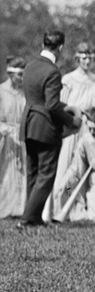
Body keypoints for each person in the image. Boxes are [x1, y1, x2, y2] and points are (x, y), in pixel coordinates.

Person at [48, 41, 95, 221]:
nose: (87, 61)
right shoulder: (67, 80)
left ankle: (87, 207)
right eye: (83, 57)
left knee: (91, 173)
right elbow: (60, 107)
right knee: (70, 172)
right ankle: (64, 204)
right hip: (72, 133)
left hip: (93, 133)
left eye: (90, 58)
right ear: (77, 59)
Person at [19, 31, 81, 227]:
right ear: (60, 47)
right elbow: (52, 105)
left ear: (42, 43)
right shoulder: (52, 71)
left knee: (33, 173)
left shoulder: (30, 67)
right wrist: (72, 121)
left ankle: (33, 217)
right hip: (45, 127)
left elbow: (39, 100)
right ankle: (28, 218)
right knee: (46, 174)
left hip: (28, 124)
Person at [0, 57, 27, 218]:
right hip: (6, 139)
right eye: (19, 75)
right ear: (11, 74)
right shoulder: (1, 91)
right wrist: (7, 130)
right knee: (6, 173)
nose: (21, 79)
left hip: (22, 137)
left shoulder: (24, 93)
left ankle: (20, 208)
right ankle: (5, 208)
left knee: (22, 172)